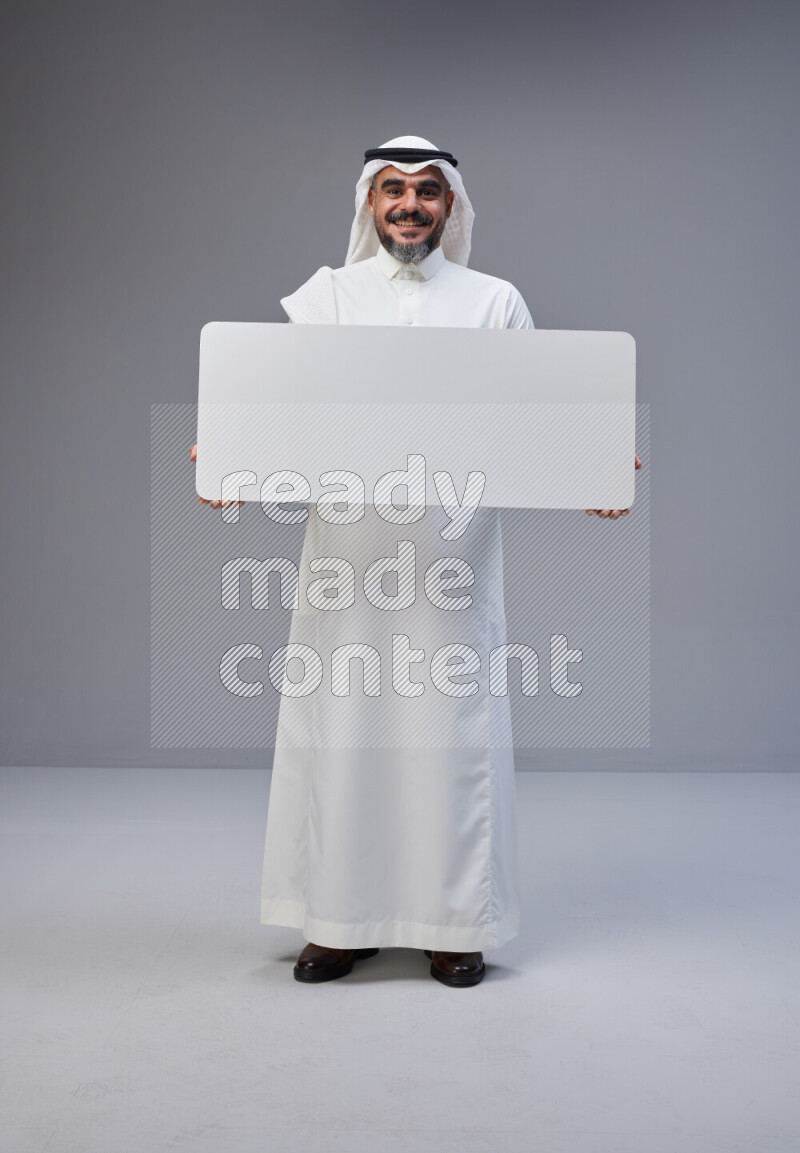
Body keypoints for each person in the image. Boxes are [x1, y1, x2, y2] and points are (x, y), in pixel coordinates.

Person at [193, 136, 639, 986]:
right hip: (347, 566)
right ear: (368, 202)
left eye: (427, 191)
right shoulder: (325, 298)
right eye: (392, 189)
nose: (408, 204)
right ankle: (337, 920)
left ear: (451, 207)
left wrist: (596, 466)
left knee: (450, 740)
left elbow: (540, 421)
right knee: (344, 736)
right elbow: (274, 411)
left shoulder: (494, 302)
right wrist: (226, 458)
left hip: (450, 568)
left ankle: (453, 923)